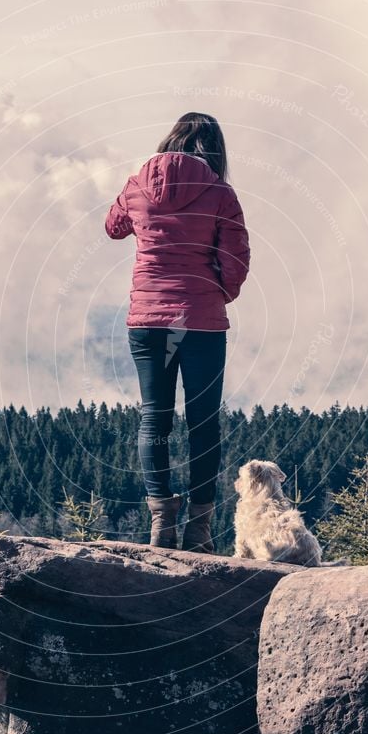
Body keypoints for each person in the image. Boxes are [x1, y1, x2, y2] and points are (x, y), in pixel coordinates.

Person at [105, 112, 250, 553]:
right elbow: (237, 259)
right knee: (203, 424)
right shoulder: (220, 192)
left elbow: (113, 227)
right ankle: (199, 533)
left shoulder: (137, 184)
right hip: (201, 321)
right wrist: (218, 292)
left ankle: (159, 527)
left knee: (155, 418)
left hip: (147, 321)